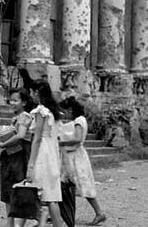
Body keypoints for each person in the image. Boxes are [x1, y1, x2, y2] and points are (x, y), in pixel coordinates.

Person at [26, 81, 69, 227]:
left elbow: (37, 138)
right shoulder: (52, 112)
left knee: (40, 192)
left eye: (31, 92)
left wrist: (31, 164)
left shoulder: (41, 111)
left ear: (36, 92)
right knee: (51, 196)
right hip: (52, 152)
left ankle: (41, 221)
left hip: (43, 153)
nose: (31, 95)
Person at [59, 96, 107, 225]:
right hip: (71, 155)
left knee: (82, 184)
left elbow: (78, 138)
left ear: (70, 110)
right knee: (64, 184)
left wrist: (61, 142)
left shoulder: (79, 121)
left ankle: (99, 213)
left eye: (65, 112)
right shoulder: (77, 121)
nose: (64, 115)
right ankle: (59, 213)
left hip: (76, 156)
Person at [0, 88, 37, 227]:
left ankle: (17, 223)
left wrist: (4, 144)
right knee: (11, 190)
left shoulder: (24, 117)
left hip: (18, 156)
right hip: (13, 155)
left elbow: (20, 135)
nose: (12, 103)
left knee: (17, 189)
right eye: (11, 100)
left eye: (16, 100)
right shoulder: (18, 117)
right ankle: (12, 223)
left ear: (24, 102)